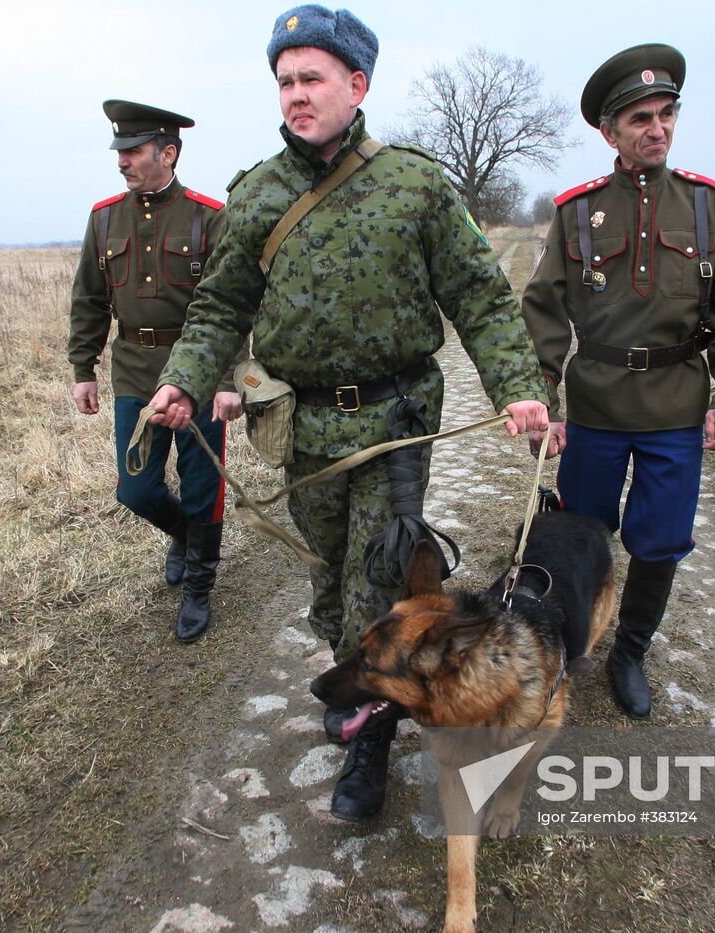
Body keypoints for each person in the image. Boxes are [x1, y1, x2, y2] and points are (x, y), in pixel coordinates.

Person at [147, 5, 550, 821]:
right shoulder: (256, 193)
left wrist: (516, 382)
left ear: (356, 83)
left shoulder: (416, 184)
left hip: (396, 420)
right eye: (285, 81)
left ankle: (367, 743)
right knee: (328, 577)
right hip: (306, 428)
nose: (296, 94)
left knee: (377, 579)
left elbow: (479, 295)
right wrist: (185, 378)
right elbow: (221, 303)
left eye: (312, 78)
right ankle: (351, 667)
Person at [521, 43, 715, 719]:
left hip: (675, 410)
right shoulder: (577, 212)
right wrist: (543, 402)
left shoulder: (707, 208)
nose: (657, 128)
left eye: (666, 114)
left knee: (659, 540)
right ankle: (576, 639)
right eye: (640, 120)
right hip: (595, 406)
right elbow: (542, 312)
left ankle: (630, 650)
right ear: (610, 133)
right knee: (582, 535)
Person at [68, 99, 244, 644]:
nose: (122, 161)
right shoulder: (103, 219)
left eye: (134, 151)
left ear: (167, 153)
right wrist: (84, 366)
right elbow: (90, 300)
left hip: (198, 370)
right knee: (136, 490)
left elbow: (233, 307)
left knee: (201, 484)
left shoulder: (208, 217)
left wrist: (227, 380)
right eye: (119, 151)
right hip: (135, 372)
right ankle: (189, 537)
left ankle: (198, 587)